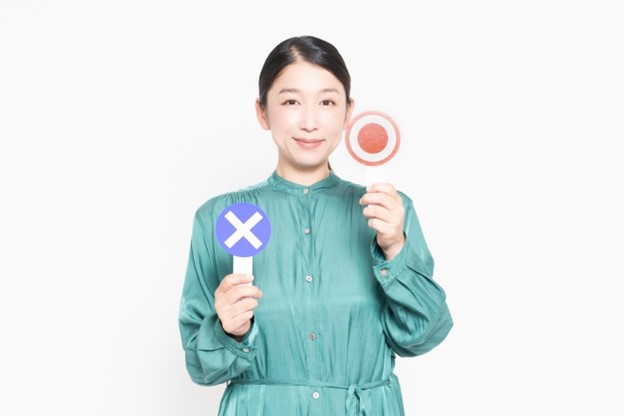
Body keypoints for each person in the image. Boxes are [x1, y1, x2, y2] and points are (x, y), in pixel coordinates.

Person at [178, 35, 453, 416]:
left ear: (348, 112)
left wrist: (394, 247)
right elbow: (200, 367)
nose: (309, 121)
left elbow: (422, 336)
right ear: (262, 111)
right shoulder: (221, 218)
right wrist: (228, 330)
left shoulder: (387, 212)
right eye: (291, 101)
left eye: (326, 102)